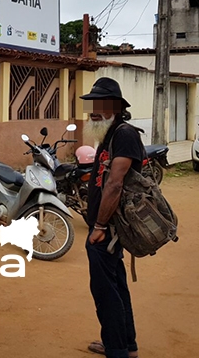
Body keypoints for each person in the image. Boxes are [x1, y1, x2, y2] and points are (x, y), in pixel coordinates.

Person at [80, 77, 144, 358]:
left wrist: (99, 227)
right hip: (106, 227)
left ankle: (117, 349)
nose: (95, 109)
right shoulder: (109, 132)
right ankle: (125, 344)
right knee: (115, 285)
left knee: (106, 291)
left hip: (109, 228)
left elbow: (116, 184)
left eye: (101, 104)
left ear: (117, 107)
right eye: (92, 104)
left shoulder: (125, 134)